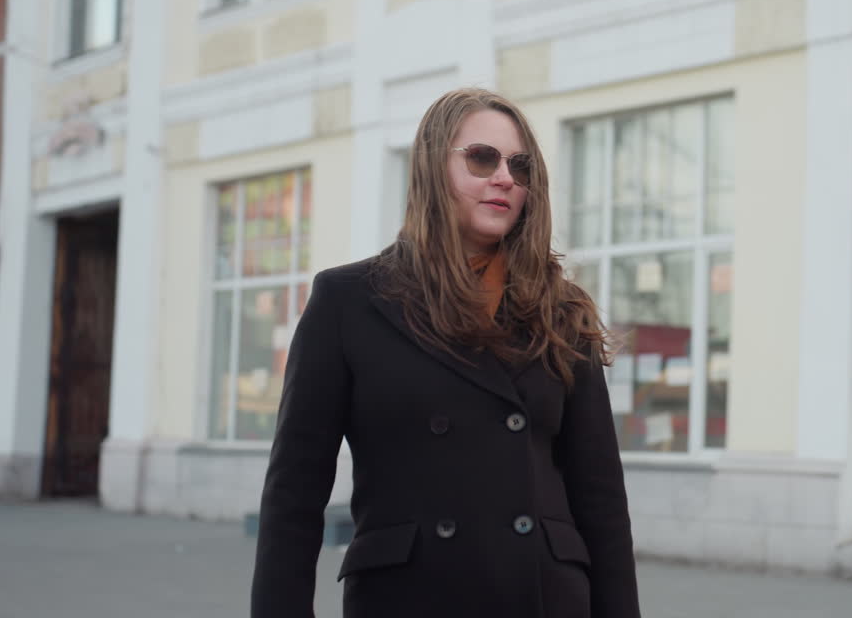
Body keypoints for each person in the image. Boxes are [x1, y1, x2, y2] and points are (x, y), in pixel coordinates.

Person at [250, 88, 641, 618]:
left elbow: (602, 502)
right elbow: (294, 494)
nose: (505, 178)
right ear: (433, 169)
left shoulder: (559, 309)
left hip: (543, 597)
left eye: (520, 166)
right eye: (482, 158)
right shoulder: (349, 301)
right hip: (410, 597)